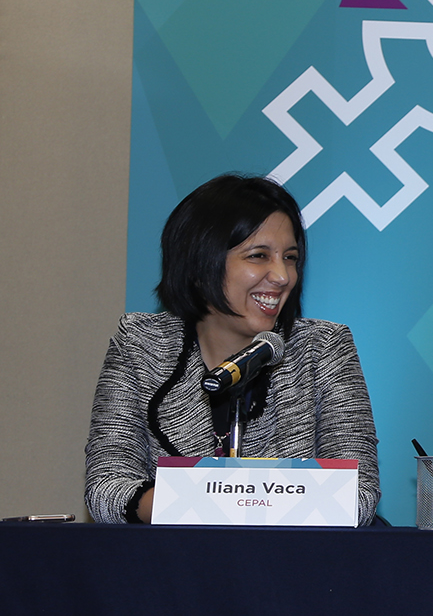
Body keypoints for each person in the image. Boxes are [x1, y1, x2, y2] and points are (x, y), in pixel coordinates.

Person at [85, 175, 381, 525]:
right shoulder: (141, 343)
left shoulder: (323, 348)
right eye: (258, 256)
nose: (282, 276)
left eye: (290, 257)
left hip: (292, 557)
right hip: (174, 557)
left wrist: (211, 500)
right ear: (200, 264)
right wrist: (234, 500)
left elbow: (358, 496)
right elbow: (106, 490)